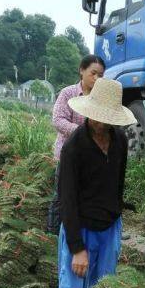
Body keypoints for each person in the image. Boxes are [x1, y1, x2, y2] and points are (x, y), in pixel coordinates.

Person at [55, 77, 132, 288]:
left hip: (108, 227)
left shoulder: (120, 141)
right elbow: (66, 200)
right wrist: (77, 248)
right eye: (97, 117)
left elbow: (118, 182)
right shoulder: (74, 147)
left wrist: (116, 213)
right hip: (81, 226)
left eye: (107, 119)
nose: (101, 124)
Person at [47, 54, 105, 234]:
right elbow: (57, 120)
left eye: (101, 75)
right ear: (82, 70)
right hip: (68, 154)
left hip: (92, 157)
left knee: (90, 195)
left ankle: (84, 231)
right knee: (62, 195)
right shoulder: (68, 93)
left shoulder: (101, 98)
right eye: (93, 73)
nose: (96, 79)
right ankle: (53, 233)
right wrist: (83, 133)